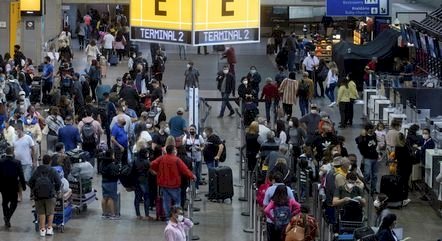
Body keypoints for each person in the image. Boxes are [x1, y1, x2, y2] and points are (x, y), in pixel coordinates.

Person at [150, 145, 195, 219]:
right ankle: (177, 217)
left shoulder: (161, 158)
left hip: (163, 184)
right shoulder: (176, 160)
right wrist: (192, 176)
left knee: (166, 202)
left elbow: (152, 164)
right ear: (173, 151)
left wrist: (157, 172)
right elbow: (185, 170)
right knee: (177, 202)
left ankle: (168, 217)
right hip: (174, 185)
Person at [29, 154, 62, 237]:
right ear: (50, 161)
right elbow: (58, 182)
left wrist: (34, 190)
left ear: (42, 161)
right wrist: (57, 190)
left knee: (41, 212)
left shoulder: (37, 170)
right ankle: (49, 229)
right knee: (50, 212)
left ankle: (42, 230)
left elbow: (30, 182)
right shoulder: (53, 170)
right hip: (51, 195)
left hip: (38, 195)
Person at [0, 147, 26, 228]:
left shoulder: (0, 161)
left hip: (3, 185)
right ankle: (8, 217)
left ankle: (6, 216)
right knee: (14, 203)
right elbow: (21, 175)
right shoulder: (17, 162)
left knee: (5, 202)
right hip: (13, 185)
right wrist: (23, 185)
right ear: (13, 152)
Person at [13, 122, 35, 201]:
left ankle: (33, 191)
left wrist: (34, 160)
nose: (16, 132)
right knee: (18, 181)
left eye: (17, 130)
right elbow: (13, 149)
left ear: (21, 130)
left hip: (27, 162)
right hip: (17, 164)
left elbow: (33, 149)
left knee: (26, 179)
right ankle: (20, 196)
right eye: (15, 130)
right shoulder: (14, 138)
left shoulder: (28, 138)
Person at [355, 123, 378, 194]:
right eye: (372, 129)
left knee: (374, 175)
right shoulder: (364, 137)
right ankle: (363, 187)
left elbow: (375, 145)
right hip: (367, 157)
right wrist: (362, 135)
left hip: (375, 157)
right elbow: (357, 141)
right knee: (367, 173)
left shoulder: (374, 135)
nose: (373, 130)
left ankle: (373, 189)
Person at [133, 148, 154, 220]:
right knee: (146, 198)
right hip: (144, 181)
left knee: (137, 198)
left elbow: (132, 171)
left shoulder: (135, 160)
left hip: (136, 181)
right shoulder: (147, 162)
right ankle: (147, 215)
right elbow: (151, 171)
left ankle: (138, 214)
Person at [183, 124, 205, 190]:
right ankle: (188, 186)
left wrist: (200, 149)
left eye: (193, 129)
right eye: (190, 129)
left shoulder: (199, 137)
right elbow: (183, 145)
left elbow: (203, 145)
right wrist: (184, 143)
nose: (191, 131)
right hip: (189, 157)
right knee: (188, 172)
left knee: (197, 172)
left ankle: (196, 187)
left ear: (195, 130)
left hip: (197, 157)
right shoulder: (186, 136)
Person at [100, 150, 120, 220]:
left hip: (104, 181)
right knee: (111, 198)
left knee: (104, 197)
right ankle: (112, 214)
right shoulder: (112, 164)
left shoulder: (102, 163)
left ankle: (104, 213)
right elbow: (115, 173)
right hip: (111, 182)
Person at [394, 133, 412, 206]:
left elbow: (398, 157)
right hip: (407, 167)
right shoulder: (406, 146)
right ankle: (404, 198)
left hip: (401, 167)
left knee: (401, 183)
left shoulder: (398, 147)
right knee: (405, 183)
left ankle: (401, 198)